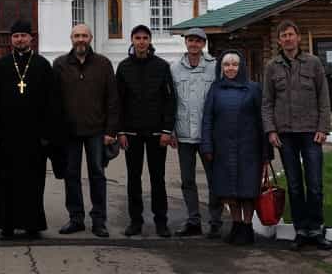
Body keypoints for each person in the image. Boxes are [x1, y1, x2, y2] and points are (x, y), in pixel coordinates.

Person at [0, 19, 55, 240]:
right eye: (16, 36)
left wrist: (47, 134)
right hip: (7, 136)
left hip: (34, 138)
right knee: (6, 181)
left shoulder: (42, 65)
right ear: (10, 39)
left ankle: (32, 225)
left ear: (31, 38)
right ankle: (7, 225)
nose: (20, 39)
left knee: (33, 182)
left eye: (24, 35)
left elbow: (52, 101)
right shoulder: (1, 65)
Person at [262, 20, 332, 251]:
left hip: (311, 132)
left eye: (291, 34)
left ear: (298, 37)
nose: (288, 39)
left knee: (314, 184)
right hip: (285, 135)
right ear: (279, 40)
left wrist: (323, 128)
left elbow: (324, 99)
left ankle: (316, 229)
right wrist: (271, 130)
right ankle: (301, 230)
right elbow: (267, 102)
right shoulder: (272, 67)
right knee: (294, 185)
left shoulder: (313, 63)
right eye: (284, 35)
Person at [53, 23, 118, 238]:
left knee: (97, 175)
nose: (80, 39)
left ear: (90, 38)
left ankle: (99, 220)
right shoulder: (60, 64)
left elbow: (112, 99)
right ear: (71, 38)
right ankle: (76, 218)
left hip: (96, 131)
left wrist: (110, 130)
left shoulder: (103, 64)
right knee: (71, 175)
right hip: (69, 132)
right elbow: (55, 99)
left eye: (84, 36)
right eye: (76, 36)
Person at [200, 50, 269, 245]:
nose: (230, 68)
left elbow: (262, 121)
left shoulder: (254, 89)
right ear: (221, 68)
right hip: (223, 148)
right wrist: (207, 145)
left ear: (242, 67)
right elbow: (208, 119)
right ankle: (236, 225)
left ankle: (247, 228)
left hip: (249, 149)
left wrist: (266, 153)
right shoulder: (215, 89)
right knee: (229, 191)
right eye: (226, 65)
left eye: (234, 64)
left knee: (247, 191)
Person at [116, 24, 175, 238]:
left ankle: (161, 222)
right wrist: (120, 131)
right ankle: (135, 221)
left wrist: (167, 130)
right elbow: (118, 102)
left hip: (157, 133)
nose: (141, 41)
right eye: (137, 38)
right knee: (134, 178)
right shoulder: (123, 67)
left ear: (150, 41)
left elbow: (169, 100)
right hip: (132, 133)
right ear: (132, 40)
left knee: (157, 178)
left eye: (145, 38)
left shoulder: (161, 66)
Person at [170, 28, 222, 238]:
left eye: (198, 41)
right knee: (187, 180)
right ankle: (193, 220)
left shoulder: (214, 67)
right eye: (190, 40)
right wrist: (171, 129)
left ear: (203, 44)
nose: (194, 44)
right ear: (186, 43)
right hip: (183, 134)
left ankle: (216, 221)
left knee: (214, 180)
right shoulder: (175, 69)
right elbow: (171, 101)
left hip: (207, 134)